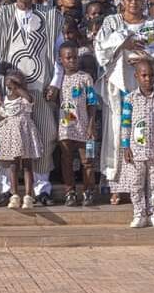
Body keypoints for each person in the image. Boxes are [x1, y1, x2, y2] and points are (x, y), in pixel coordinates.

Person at [0, 0, 63, 207]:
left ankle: (41, 189)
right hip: (7, 92)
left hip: (39, 88)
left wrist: (56, 81)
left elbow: (59, 53)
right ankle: (7, 190)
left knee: (45, 135)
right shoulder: (0, 15)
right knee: (2, 137)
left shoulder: (49, 16)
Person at [94, 0, 154, 206]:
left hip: (147, 87)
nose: (133, 2)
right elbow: (100, 48)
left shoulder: (153, 25)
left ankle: (149, 187)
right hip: (120, 87)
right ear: (122, 1)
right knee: (119, 130)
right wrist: (123, 43)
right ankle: (118, 186)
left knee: (146, 132)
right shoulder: (112, 21)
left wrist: (149, 56)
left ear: (145, 1)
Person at [121, 59, 154, 228]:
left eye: (150, 75)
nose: (147, 79)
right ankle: (139, 213)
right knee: (136, 184)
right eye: (143, 75)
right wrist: (125, 146)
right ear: (136, 76)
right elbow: (125, 123)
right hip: (135, 151)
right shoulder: (130, 99)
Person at [0, 70, 42, 209]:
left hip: (25, 134)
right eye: (10, 86)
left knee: (27, 166)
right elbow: (2, 115)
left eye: (16, 85)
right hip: (12, 136)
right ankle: (14, 196)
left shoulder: (25, 98)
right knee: (13, 166)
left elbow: (30, 100)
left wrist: (18, 88)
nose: (13, 88)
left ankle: (29, 196)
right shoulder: (6, 99)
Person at [57, 41, 97, 207]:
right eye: (68, 58)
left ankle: (88, 192)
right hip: (65, 128)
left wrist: (91, 125)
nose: (72, 61)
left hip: (84, 127)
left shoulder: (85, 78)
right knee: (66, 160)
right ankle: (70, 192)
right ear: (61, 60)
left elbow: (92, 103)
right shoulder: (58, 79)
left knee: (88, 160)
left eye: (75, 57)